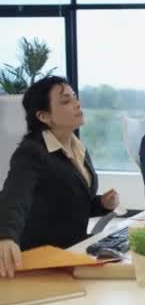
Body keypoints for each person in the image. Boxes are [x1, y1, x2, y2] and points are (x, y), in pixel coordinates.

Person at [0, 76, 120, 278]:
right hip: (42, 261)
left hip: (72, 252)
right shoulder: (31, 152)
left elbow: (67, 202)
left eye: (75, 97)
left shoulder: (76, 146)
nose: (77, 104)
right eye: (66, 101)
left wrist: (101, 204)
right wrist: (5, 236)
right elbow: (14, 197)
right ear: (44, 116)